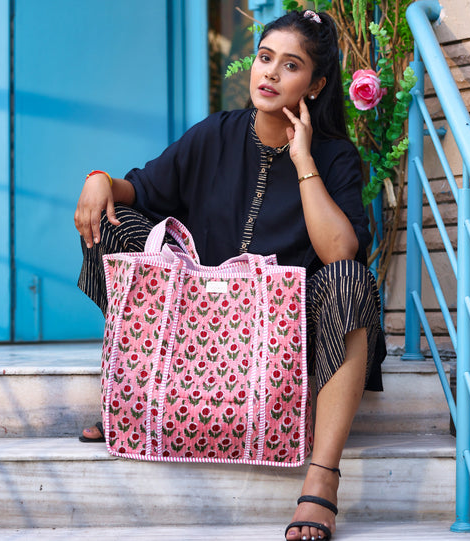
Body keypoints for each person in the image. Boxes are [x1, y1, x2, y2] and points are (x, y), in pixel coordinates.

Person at [74, 9, 386, 541]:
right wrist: (98, 180)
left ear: (316, 84)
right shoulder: (214, 133)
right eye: (265, 58)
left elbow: (339, 251)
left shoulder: (336, 157)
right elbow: (142, 191)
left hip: (289, 335)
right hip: (203, 320)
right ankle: (142, 392)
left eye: (291, 66)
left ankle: (321, 478)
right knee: (112, 224)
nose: (269, 74)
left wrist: (303, 157)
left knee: (350, 279)